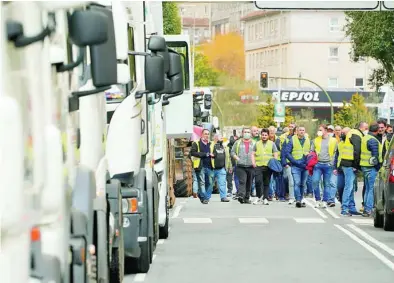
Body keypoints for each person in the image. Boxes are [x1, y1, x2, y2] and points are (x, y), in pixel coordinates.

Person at [333, 127, 361, 216]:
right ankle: (345, 207)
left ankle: (350, 207)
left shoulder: (349, 142)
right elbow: (337, 156)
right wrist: (335, 167)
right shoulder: (341, 143)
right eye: (343, 133)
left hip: (348, 166)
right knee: (344, 187)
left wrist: (355, 166)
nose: (343, 134)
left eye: (345, 133)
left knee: (350, 187)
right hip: (342, 167)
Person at [311, 124, 338, 208]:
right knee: (315, 181)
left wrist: (332, 163)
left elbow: (335, 152)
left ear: (325, 130)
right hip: (318, 164)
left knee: (326, 184)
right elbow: (311, 151)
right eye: (318, 130)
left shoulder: (333, 140)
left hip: (328, 164)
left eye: (321, 130)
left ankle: (325, 201)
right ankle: (318, 199)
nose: (319, 132)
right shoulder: (315, 140)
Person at [360, 123, 382, 217]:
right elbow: (375, 157)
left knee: (368, 188)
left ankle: (366, 208)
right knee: (371, 189)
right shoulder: (373, 140)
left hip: (364, 166)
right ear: (377, 131)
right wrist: (378, 168)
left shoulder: (365, 137)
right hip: (371, 167)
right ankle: (368, 209)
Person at [284, 125, 310, 208]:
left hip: (305, 165)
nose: (302, 131)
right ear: (297, 131)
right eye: (300, 130)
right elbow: (287, 152)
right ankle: (298, 200)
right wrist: (294, 161)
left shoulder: (308, 140)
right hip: (296, 165)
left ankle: (301, 199)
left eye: (303, 130)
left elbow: (311, 152)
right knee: (297, 183)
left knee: (303, 184)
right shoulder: (292, 139)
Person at [253, 128, 279, 205]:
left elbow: (275, 153)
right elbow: (253, 153)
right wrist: (254, 162)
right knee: (258, 181)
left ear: (268, 136)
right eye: (263, 135)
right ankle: (258, 196)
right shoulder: (257, 143)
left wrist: (274, 162)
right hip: (258, 165)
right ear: (261, 135)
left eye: (265, 135)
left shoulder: (272, 143)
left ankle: (265, 198)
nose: (264, 136)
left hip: (268, 166)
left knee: (266, 183)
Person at [231, 127, 256, 204]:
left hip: (251, 166)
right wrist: (237, 158)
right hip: (240, 166)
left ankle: (247, 198)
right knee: (243, 181)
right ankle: (241, 195)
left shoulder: (255, 143)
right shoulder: (237, 142)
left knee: (249, 182)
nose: (247, 133)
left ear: (251, 134)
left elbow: (257, 153)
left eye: (248, 132)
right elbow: (232, 152)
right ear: (242, 133)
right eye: (245, 132)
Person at [348, 121, 369, 211]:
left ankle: (349, 206)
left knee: (351, 186)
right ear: (361, 127)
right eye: (366, 128)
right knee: (350, 186)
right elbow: (357, 151)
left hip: (350, 162)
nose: (367, 130)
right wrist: (357, 165)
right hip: (351, 163)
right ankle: (349, 207)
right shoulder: (356, 134)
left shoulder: (356, 133)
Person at [190, 129, 214, 204]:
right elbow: (192, 152)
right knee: (201, 182)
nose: (207, 135)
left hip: (210, 166)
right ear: (201, 135)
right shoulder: (196, 143)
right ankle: (203, 198)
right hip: (200, 166)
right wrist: (204, 154)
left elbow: (215, 153)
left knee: (209, 183)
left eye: (208, 134)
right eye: (205, 134)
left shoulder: (211, 144)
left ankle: (202, 195)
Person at [206, 134, 230, 202]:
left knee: (222, 183)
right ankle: (206, 197)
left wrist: (228, 166)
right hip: (212, 169)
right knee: (210, 184)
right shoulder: (210, 145)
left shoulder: (224, 146)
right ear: (216, 138)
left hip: (221, 169)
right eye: (221, 137)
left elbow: (227, 157)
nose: (222, 139)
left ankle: (223, 197)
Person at [281, 123, 296, 204]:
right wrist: (284, 163)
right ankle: (291, 197)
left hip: (300, 165)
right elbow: (283, 152)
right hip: (289, 163)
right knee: (291, 181)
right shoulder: (287, 139)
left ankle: (298, 196)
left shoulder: (304, 139)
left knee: (298, 182)